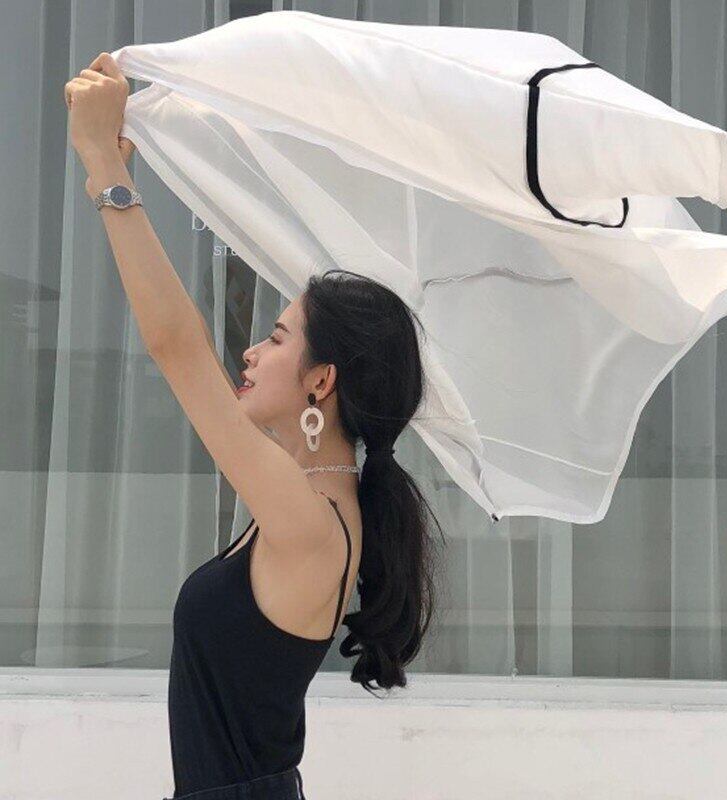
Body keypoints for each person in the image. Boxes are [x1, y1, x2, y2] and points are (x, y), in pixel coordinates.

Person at [65, 52, 444, 800]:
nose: (250, 351)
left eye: (275, 338)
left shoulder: (308, 519)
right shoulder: (314, 505)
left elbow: (177, 348)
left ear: (321, 381)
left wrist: (106, 168)